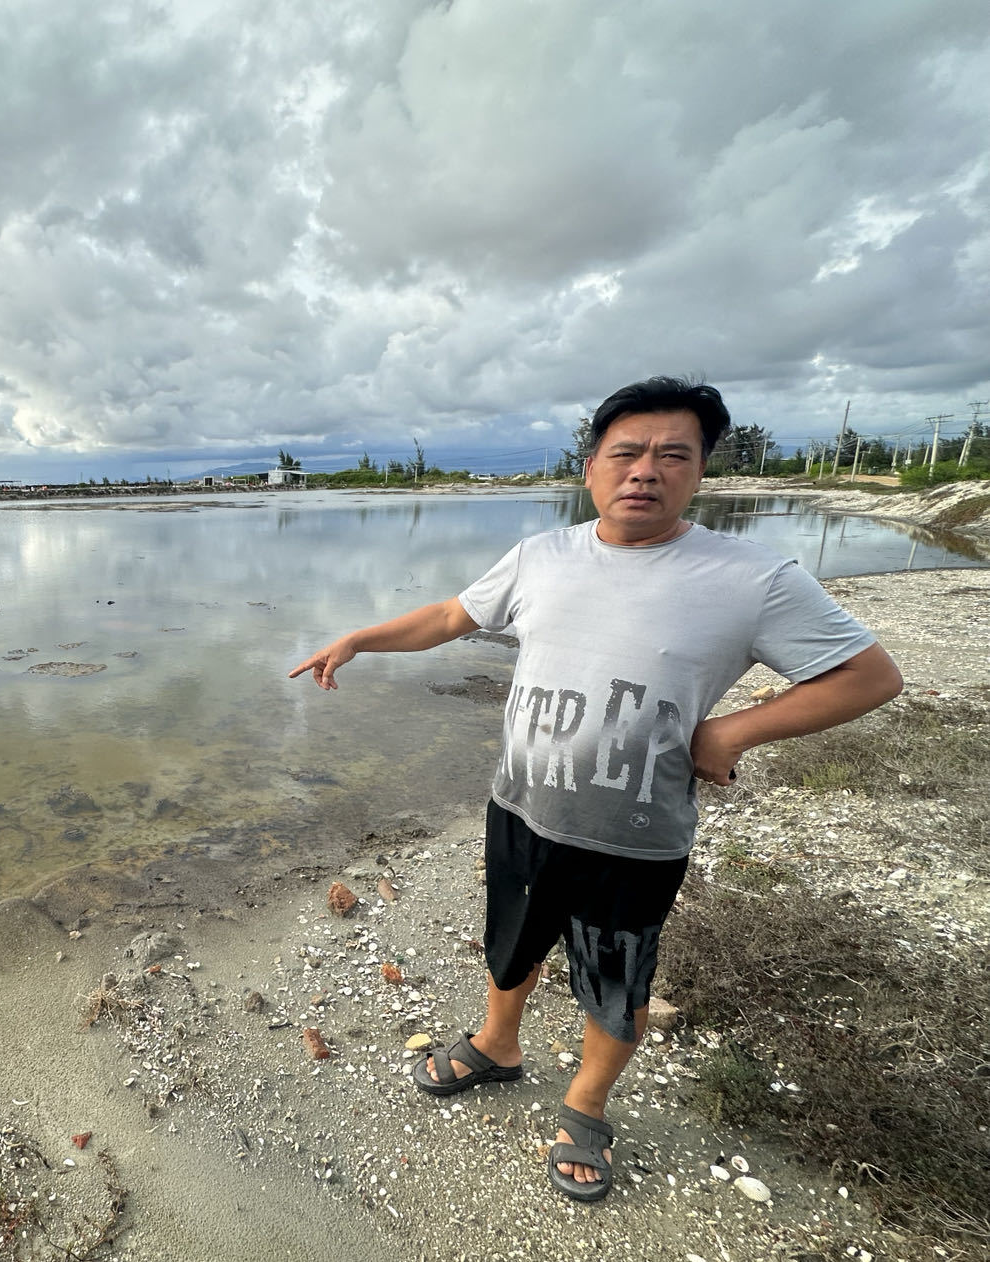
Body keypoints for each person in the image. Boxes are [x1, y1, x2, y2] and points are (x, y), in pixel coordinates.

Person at [287, 377, 902, 1203]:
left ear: (700, 471)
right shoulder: (543, 555)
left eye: (672, 455)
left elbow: (868, 676)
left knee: (615, 979)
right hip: (521, 808)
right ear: (591, 468)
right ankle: (498, 1046)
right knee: (509, 943)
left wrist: (732, 730)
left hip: (633, 832)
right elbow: (447, 618)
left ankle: (586, 1104)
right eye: (627, 453)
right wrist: (359, 637)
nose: (645, 471)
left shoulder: (753, 577)